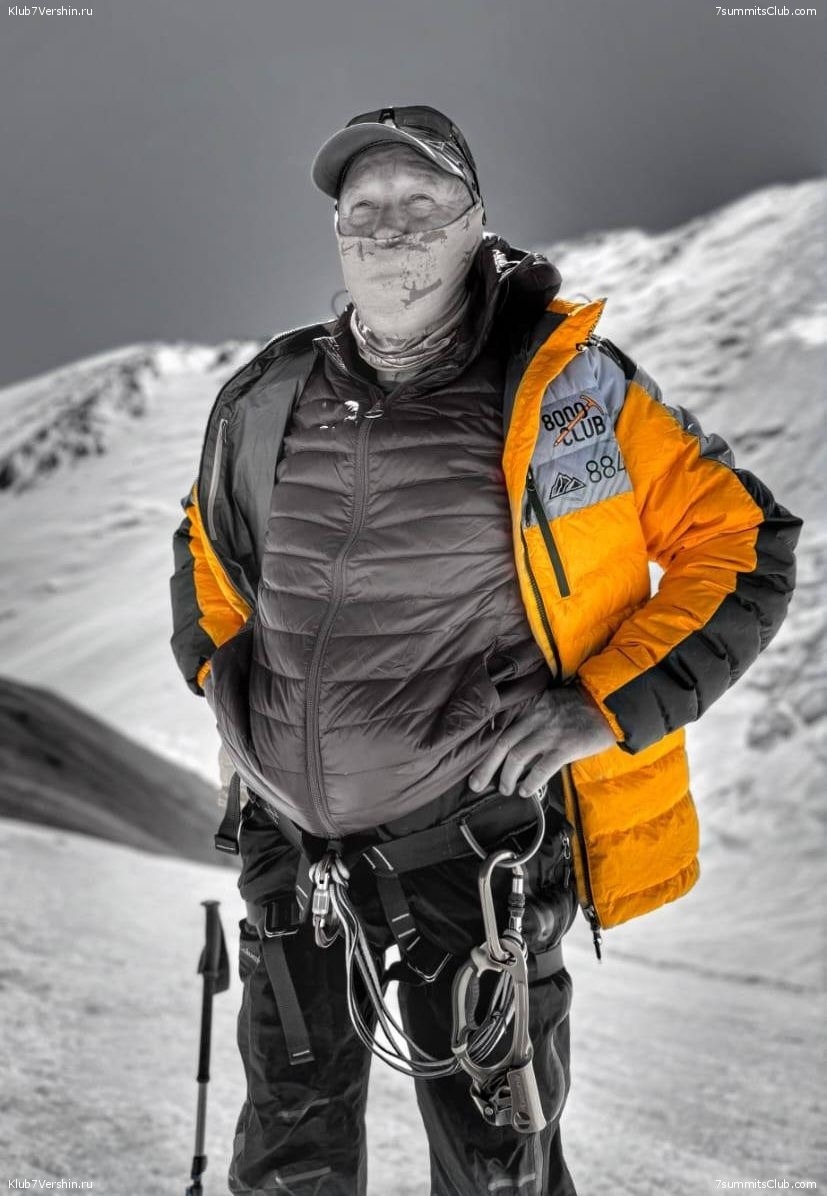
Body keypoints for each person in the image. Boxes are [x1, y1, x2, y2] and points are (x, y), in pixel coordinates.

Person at [169, 104, 802, 1196]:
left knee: (495, 1167)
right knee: (285, 1155)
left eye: (420, 202)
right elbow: (206, 547)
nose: (389, 226)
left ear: (474, 224)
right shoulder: (270, 393)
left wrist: (602, 706)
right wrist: (224, 693)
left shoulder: (566, 393)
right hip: (290, 853)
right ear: (337, 235)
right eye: (364, 206)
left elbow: (743, 542)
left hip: (473, 852)